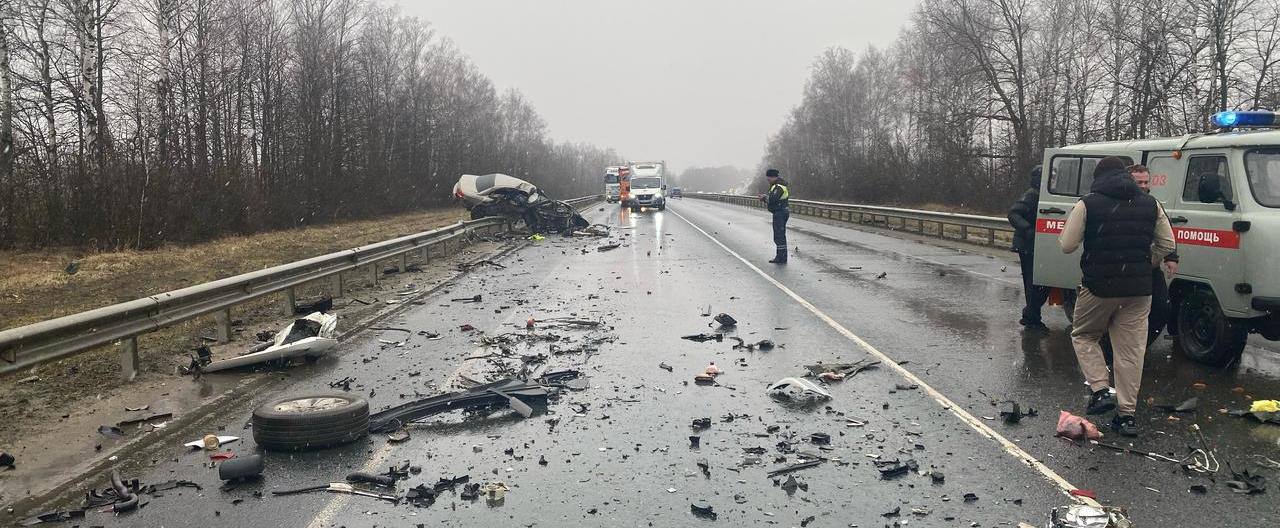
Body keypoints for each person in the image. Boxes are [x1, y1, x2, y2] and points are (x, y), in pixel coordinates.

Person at [1059, 156, 1175, 437]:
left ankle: (1100, 390)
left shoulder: (1088, 203)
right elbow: (1168, 243)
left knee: (1084, 335)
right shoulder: (1151, 203)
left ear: (1098, 177)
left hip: (1099, 286)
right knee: (1130, 352)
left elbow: (1067, 245)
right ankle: (1127, 417)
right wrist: (1145, 262)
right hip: (1138, 290)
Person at [1007, 166, 1049, 332]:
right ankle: (1031, 319)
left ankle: (1031, 316)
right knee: (1034, 283)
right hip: (1027, 245)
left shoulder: (1042, 195)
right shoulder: (1032, 195)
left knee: (1039, 283)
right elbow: (1013, 213)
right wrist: (1028, 230)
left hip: (1035, 245)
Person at [758, 169, 790, 264]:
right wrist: (765, 197)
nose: (768, 180)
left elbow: (773, 199)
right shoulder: (777, 186)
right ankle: (781, 256)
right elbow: (773, 198)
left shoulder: (778, 187)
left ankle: (781, 257)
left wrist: (764, 198)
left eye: (769, 178)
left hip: (780, 212)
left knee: (779, 236)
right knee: (779, 235)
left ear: (773, 177)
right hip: (780, 212)